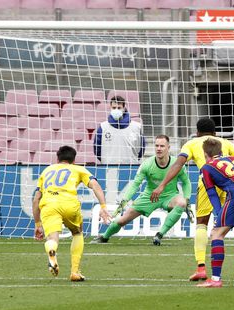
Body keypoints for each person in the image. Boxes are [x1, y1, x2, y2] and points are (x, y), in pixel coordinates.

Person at [150, 118, 234, 281]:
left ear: (197, 133)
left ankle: (201, 268)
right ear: (215, 133)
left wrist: (162, 185)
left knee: (202, 224)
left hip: (208, 181)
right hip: (233, 184)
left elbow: (178, 164)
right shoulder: (225, 142)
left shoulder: (192, 143)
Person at [92, 135, 191, 245]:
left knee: (181, 203)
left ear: (168, 147)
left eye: (162, 146)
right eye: (157, 146)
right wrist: (124, 200)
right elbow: (135, 184)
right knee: (122, 220)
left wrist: (187, 199)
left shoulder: (177, 164)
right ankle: (104, 237)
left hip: (170, 196)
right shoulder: (147, 164)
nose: (159, 148)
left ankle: (159, 235)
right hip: (149, 197)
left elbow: (186, 182)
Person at [32, 145, 111, 282]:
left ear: (57, 159)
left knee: (52, 237)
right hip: (69, 203)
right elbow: (96, 186)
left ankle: (51, 251)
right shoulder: (79, 169)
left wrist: (38, 224)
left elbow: (36, 199)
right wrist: (103, 206)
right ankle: (75, 272)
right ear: (74, 160)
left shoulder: (47, 170)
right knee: (77, 232)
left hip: (49, 204)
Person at [197, 138, 234, 287]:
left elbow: (211, 193)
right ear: (221, 151)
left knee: (216, 234)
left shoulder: (206, 168)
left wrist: (218, 213)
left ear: (205, 153)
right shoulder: (232, 159)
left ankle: (215, 280)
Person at [93, 95, 145, 164]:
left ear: (124, 108)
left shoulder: (136, 127)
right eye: (114, 108)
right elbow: (97, 150)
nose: (116, 110)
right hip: (108, 169)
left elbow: (141, 150)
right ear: (110, 108)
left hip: (130, 169)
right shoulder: (103, 127)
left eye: (119, 108)